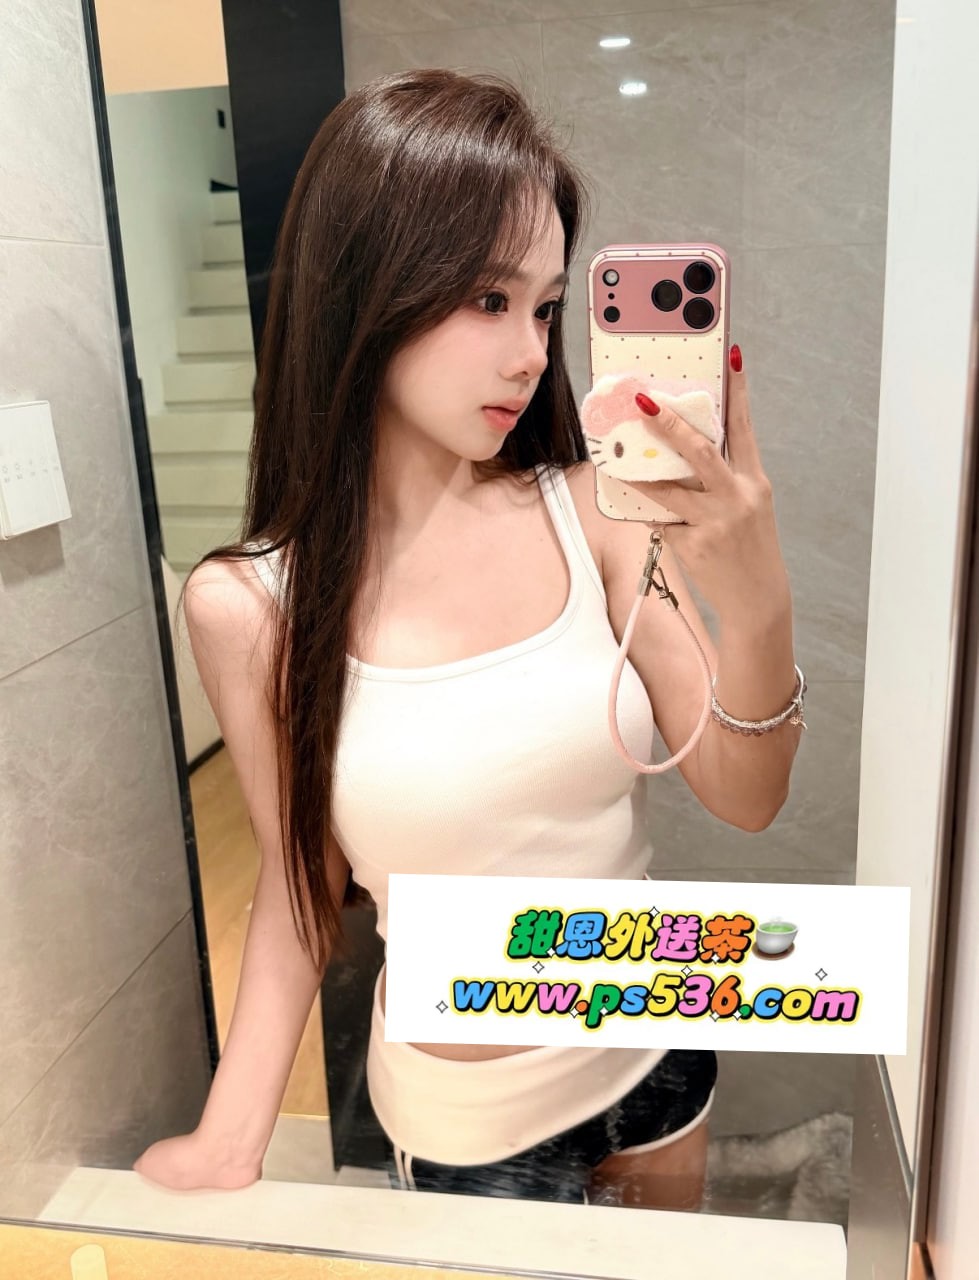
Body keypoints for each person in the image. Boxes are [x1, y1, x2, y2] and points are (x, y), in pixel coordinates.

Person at [133, 68, 802, 1209]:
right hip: (469, 1129)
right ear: (366, 288)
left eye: (545, 307)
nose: (531, 353)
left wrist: (759, 602)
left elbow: (747, 794)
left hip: (656, 1055)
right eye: (488, 299)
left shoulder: (595, 512)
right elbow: (299, 888)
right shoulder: (252, 605)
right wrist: (230, 1136)